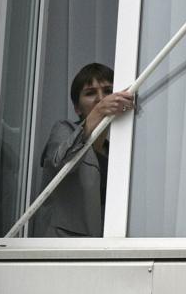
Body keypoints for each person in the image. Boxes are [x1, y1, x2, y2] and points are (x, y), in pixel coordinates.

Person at [31, 63, 134, 237]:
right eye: (90, 93)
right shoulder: (65, 129)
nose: (100, 98)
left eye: (108, 91)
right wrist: (99, 111)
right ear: (77, 108)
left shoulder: (116, 150)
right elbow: (60, 162)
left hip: (102, 246)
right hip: (62, 246)